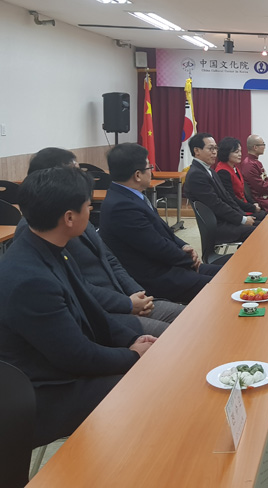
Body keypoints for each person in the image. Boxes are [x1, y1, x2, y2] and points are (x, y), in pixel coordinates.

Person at [0, 166, 155, 446]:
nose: (91, 210)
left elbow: (92, 310)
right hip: (41, 392)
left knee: (153, 365)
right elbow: (77, 357)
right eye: (88, 205)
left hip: (61, 366)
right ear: (69, 217)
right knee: (147, 385)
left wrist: (131, 339)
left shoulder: (51, 249)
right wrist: (133, 356)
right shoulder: (30, 280)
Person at [22, 147, 183, 336]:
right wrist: (127, 304)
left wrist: (137, 293)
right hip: (100, 313)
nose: (82, 178)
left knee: (189, 317)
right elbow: (78, 287)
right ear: (51, 179)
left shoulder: (78, 211)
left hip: (125, 297)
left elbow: (110, 259)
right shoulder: (44, 229)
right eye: (75, 172)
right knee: (176, 336)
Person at [101, 143, 224, 304]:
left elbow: (163, 231)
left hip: (170, 265)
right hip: (158, 277)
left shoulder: (131, 196)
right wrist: (188, 260)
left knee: (230, 274)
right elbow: (156, 246)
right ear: (137, 175)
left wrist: (183, 246)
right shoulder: (121, 207)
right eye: (149, 167)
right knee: (224, 286)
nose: (151, 171)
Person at [184, 133, 258, 244]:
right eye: (211, 148)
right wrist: (242, 219)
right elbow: (216, 204)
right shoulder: (196, 174)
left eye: (215, 148)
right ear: (197, 150)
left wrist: (242, 215)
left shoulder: (210, 170)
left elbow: (227, 198)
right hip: (219, 226)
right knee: (260, 230)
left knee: (262, 223)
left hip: (226, 220)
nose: (215, 152)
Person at [215, 137, 263, 219]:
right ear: (226, 153)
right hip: (236, 211)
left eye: (240, 151)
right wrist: (252, 208)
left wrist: (253, 203)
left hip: (243, 206)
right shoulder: (223, 172)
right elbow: (231, 198)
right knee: (264, 217)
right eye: (236, 152)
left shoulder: (234, 167)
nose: (240, 154)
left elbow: (243, 193)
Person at [240, 134, 268, 212]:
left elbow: (266, 180)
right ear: (255, 147)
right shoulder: (249, 165)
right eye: (263, 144)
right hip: (260, 200)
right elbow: (261, 186)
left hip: (266, 196)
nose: (264, 147)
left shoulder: (256, 162)